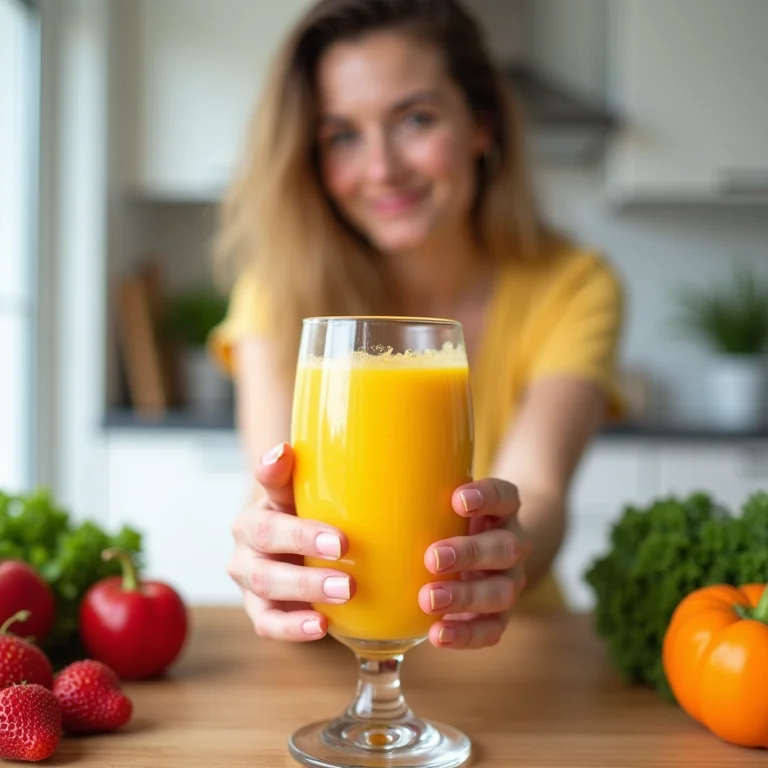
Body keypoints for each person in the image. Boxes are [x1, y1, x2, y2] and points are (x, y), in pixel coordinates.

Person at [209, 0, 625, 651]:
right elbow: (274, 490)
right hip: (336, 646)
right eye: (341, 135)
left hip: (505, 648)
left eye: (415, 119)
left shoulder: (570, 287)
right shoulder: (276, 290)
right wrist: (269, 551)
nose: (381, 168)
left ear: (480, 125)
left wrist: (505, 557)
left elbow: (538, 487)